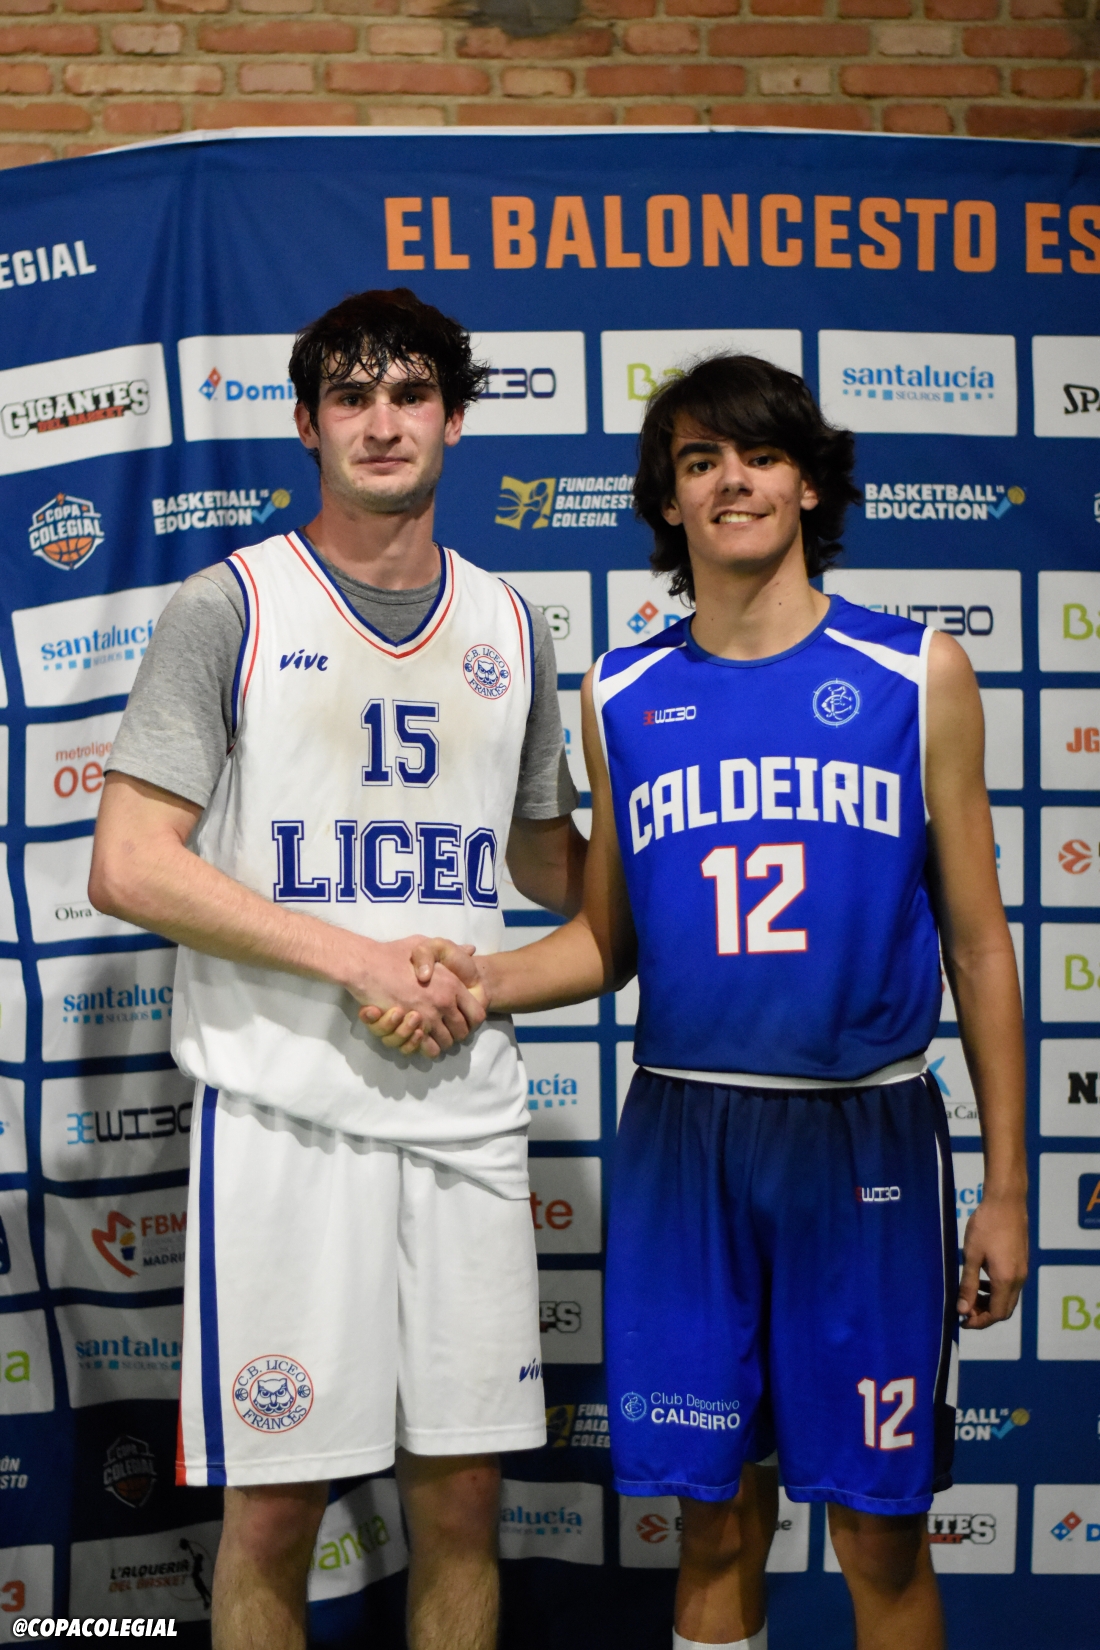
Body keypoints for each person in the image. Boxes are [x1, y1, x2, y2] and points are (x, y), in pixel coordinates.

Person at [380, 354, 1029, 1649]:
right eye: (696, 460)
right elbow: (607, 939)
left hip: (865, 1138)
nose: (731, 479)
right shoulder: (624, 693)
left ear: (808, 481)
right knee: (713, 1515)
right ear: (667, 502)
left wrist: (1009, 1187)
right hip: (685, 1140)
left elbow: (978, 941)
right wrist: (484, 977)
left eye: (759, 454)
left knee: (878, 1526)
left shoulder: (918, 674)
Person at [89, 286, 586, 1650]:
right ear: (307, 422)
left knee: (466, 1503)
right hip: (288, 1115)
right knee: (273, 1519)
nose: (382, 420)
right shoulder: (230, 602)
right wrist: (361, 956)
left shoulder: (509, 622)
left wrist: (710, 851)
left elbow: (546, 859)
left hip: (465, 1112)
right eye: (352, 397)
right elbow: (129, 861)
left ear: (456, 418)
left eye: (410, 392)